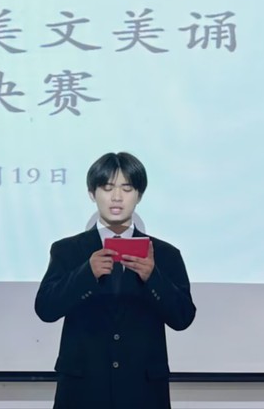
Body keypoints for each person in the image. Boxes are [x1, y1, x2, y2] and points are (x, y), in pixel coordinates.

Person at [35, 152, 196, 409]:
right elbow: (46, 309)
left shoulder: (165, 254)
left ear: (139, 195)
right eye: (107, 188)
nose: (117, 197)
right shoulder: (67, 250)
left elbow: (183, 317)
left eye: (127, 188)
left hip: (143, 391)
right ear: (92, 193)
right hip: (83, 390)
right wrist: (86, 274)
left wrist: (153, 277)